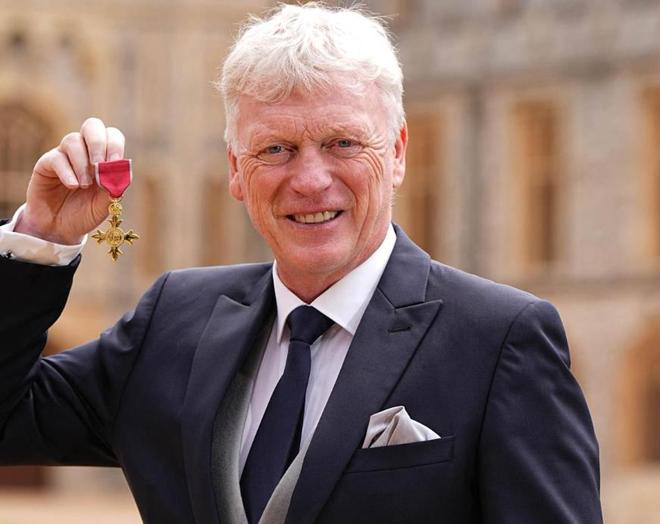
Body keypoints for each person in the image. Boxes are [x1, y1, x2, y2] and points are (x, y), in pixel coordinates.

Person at [0, 3, 602, 523]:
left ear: (396, 153)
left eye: (343, 143)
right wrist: (41, 239)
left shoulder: (499, 340)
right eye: (276, 149)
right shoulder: (174, 320)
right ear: (236, 170)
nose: (311, 180)